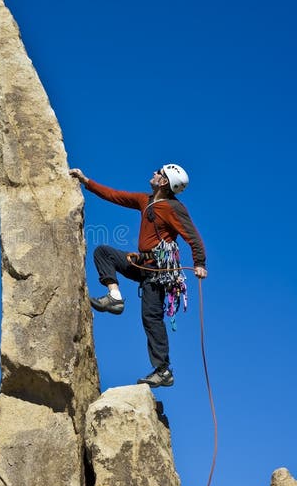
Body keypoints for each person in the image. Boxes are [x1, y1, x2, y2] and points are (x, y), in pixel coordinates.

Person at [69, 164, 207, 388]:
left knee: (151, 319)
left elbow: (192, 236)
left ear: (164, 182)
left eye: (159, 172)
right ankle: (115, 297)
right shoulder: (146, 200)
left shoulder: (174, 208)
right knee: (104, 253)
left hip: (159, 272)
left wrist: (199, 263)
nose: (154, 173)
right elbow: (116, 196)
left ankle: (163, 371)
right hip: (142, 263)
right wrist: (86, 181)